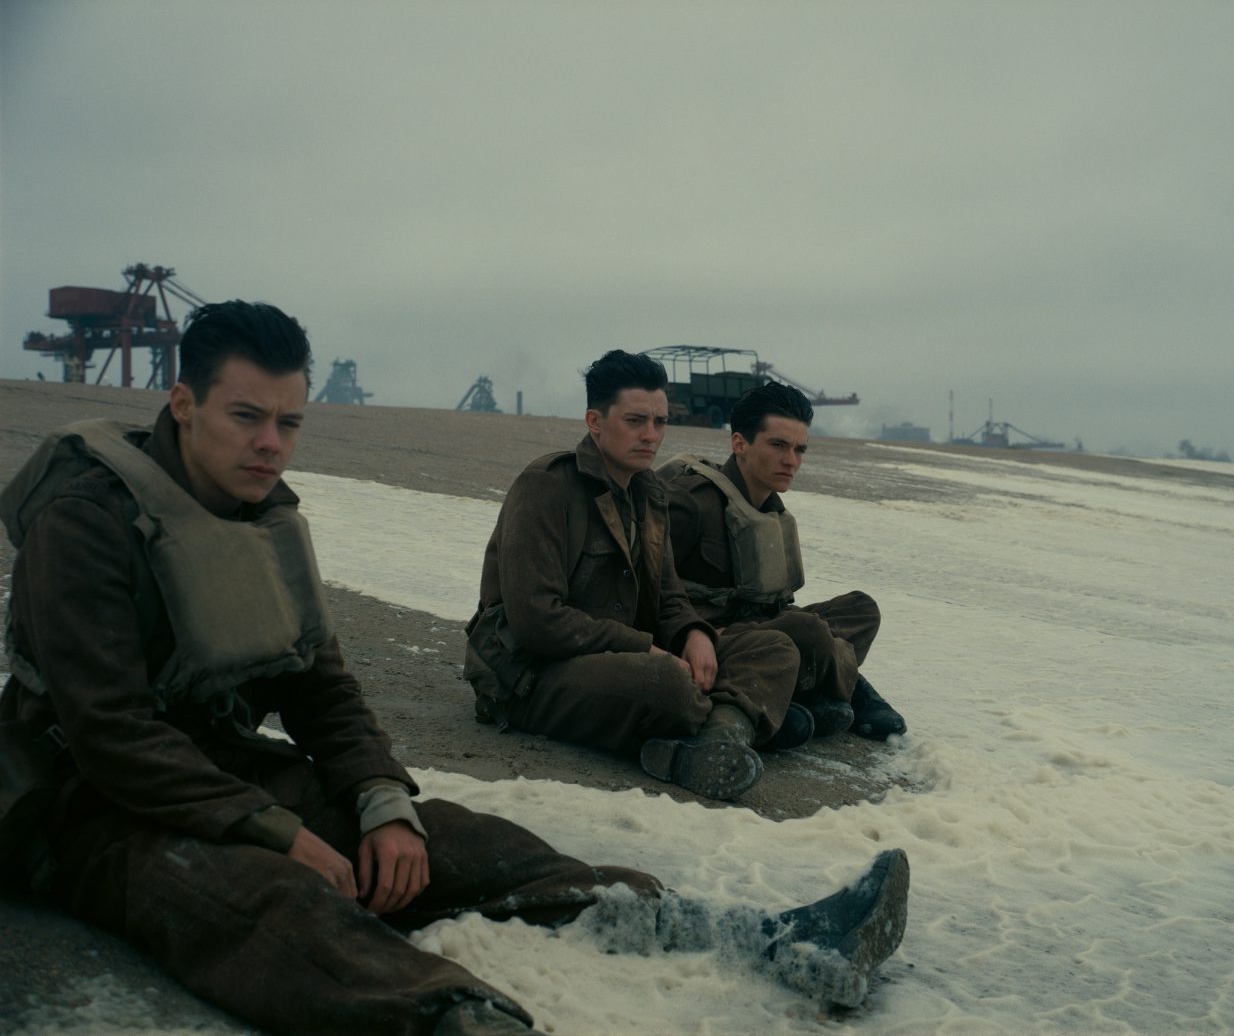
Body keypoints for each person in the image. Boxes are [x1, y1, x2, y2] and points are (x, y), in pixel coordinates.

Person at [0, 306, 908, 1036]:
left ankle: (746, 938)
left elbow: (322, 688)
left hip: (218, 762)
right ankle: (458, 1019)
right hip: (80, 799)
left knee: (458, 841)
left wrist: (379, 800)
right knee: (270, 898)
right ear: (183, 403)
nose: (271, 442)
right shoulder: (87, 521)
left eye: (289, 422)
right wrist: (280, 832)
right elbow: (110, 732)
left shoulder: (264, 516)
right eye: (247, 416)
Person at [465, 351, 810, 803]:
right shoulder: (546, 486)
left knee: (774, 647)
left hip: (625, 658)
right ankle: (735, 720)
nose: (651, 435)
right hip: (532, 676)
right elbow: (537, 620)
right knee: (665, 684)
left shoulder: (649, 492)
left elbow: (668, 596)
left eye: (660, 422)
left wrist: (692, 634)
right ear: (595, 421)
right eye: (635, 421)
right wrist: (643, 647)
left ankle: (717, 740)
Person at [662, 381, 908, 742]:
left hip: (765, 631)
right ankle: (845, 689)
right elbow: (645, 589)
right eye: (778, 445)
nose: (791, 461)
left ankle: (799, 691)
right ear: (740, 444)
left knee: (861, 610)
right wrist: (696, 633)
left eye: (799, 449)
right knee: (806, 630)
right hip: (709, 643)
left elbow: (774, 602)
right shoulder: (691, 503)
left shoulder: (769, 509)